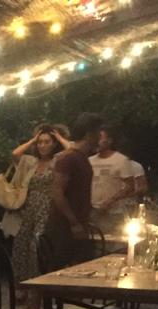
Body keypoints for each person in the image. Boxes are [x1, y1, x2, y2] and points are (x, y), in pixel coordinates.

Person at [6, 124, 71, 309]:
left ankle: (36, 293)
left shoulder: (57, 161)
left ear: (53, 144)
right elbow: (15, 154)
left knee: (37, 248)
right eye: (40, 142)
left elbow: (72, 151)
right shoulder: (31, 161)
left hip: (47, 208)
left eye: (46, 142)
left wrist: (59, 138)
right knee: (21, 246)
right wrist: (33, 140)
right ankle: (22, 288)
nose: (42, 145)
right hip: (29, 208)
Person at [45, 112, 105, 274]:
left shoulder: (82, 158)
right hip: (64, 228)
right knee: (59, 273)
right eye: (98, 132)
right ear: (88, 134)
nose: (100, 137)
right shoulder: (69, 158)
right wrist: (74, 222)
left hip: (77, 225)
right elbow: (57, 192)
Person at [89, 125, 135, 235]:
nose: (97, 141)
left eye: (100, 138)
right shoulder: (89, 160)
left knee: (111, 240)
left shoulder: (121, 160)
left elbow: (130, 186)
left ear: (109, 141)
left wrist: (111, 200)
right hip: (92, 210)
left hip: (113, 213)